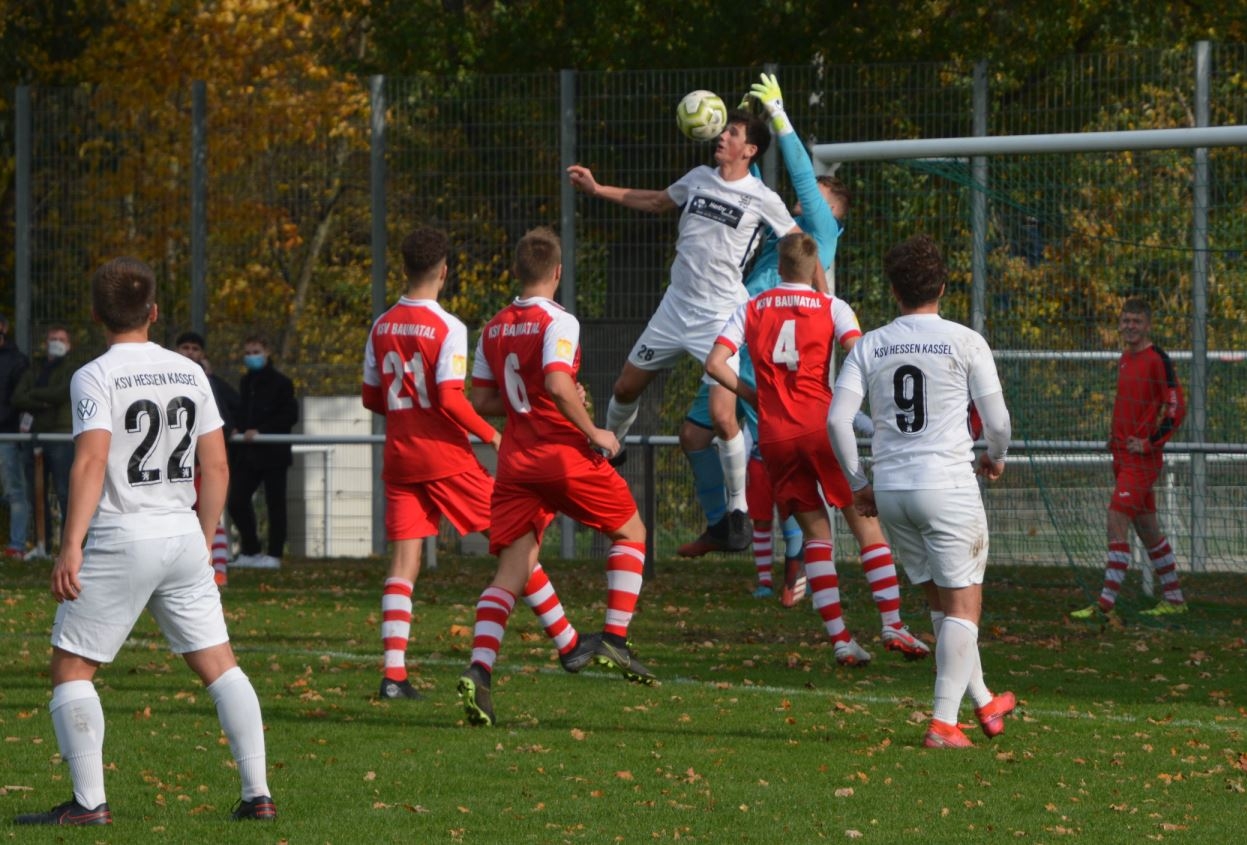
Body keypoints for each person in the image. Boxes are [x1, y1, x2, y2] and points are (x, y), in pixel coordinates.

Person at [13, 257, 274, 825]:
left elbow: (91, 462)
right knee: (221, 665)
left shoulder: (94, 374)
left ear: (95, 315)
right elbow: (217, 466)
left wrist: (70, 544)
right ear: (154, 312)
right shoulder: (191, 372)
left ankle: (89, 804)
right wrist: (204, 539)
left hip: (122, 533)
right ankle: (258, 795)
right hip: (181, 532)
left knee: (72, 668)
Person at [362, 226, 597, 701]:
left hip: (401, 457)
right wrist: (491, 434)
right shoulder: (448, 327)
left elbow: (371, 397)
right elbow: (452, 398)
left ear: (404, 269)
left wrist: (410, 415)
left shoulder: (381, 325)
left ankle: (394, 676)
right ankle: (568, 642)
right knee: (517, 544)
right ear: (444, 272)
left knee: (404, 564)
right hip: (446, 458)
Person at [567, 107, 803, 551]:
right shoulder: (698, 178)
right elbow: (656, 201)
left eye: (733, 133)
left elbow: (799, 242)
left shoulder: (761, 197)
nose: (722, 137)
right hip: (674, 309)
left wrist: (819, 299)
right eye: (723, 130)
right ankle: (611, 449)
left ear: (750, 150)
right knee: (624, 388)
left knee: (722, 417)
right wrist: (597, 189)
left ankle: (737, 513)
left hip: (721, 317)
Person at [827, 234, 1015, 748]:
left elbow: (838, 421)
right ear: (944, 286)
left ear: (894, 289)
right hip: (946, 485)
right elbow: (998, 423)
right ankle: (942, 724)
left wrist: (860, 484)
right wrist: (995, 456)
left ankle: (983, 700)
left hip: (893, 492)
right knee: (965, 609)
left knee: (943, 604)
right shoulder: (965, 340)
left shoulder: (870, 345)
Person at [458, 226, 651, 727]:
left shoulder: (493, 328)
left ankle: (479, 669)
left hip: (516, 463)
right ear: (558, 272)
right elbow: (558, 382)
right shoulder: (560, 320)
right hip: (562, 456)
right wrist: (595, 430)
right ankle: (615, 638)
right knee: (632, 532)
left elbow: (483, 400)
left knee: (511, 571)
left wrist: (541, 399)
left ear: (516, 271)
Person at [707, 232, 916, 666]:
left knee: (816, 535)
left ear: (779, 268)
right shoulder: (832, 307)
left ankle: (841, 639)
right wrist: (855, 408)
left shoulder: (750, 308)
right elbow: (859, 353)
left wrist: (753, 396)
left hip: (776, 436)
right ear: (814, 268)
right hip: (821, 428)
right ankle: (892, 623)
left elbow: (714, 363)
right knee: (865, 523)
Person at [1072, 298, 1188, 619]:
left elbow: (1176, 408)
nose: (1130, 326)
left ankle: (1104, 605)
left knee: (1115, 520)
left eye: (1136, 321)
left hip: (1141, 460)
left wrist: (1150, 442)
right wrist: (1116, 437)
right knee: (1148, 530)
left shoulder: (1158, 359)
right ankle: (1175, 599)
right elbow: (1132, 406)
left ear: (1148, 325)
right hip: (1121, 456)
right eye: (1126, 321)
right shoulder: (1125, 358)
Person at [226, 335, 298, 571]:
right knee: (236, 500)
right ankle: (251, 550)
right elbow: (243, 411)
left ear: (267, 352)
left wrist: (261, 430)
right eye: (248, 353)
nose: (251, 357)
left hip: (273, 453)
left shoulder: (282, 383)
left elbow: (289, 415)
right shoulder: (246, 382)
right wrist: (238, 427)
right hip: (249, 454)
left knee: (275, 504)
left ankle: (274, 554)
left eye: (256, 351)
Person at [175, 330, 240, 587]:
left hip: (201, 464)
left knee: (210, 518)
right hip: (176, 464)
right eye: (185, 348)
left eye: (195, 349)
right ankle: (185, 570)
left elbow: (222, 420)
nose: (189, 353)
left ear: (202, 354)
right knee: (182, 517)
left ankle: (217, 569)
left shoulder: (208, 382)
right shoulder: (169, 377)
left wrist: (204, 460)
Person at [14, 325, 76, 552]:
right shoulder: (35, 368)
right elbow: (17, 397)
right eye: (52, 338)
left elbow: (61, 393)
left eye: (61, 339)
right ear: (45, 342)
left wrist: (34, 394)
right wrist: (43, 402)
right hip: (35, 435)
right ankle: (44, 544)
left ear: (69, 345)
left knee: (64, 492)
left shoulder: (73, 368)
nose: (56, 342)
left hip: (61, 436)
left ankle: (70, 545)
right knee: (36, 493)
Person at [0, 313, 30, 559]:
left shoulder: (17, 361)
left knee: (14, 491)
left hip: (7, 435)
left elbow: (21, 400)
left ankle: (17, 544)